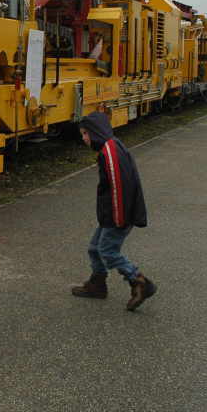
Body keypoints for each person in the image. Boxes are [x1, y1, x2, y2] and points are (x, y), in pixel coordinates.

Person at [72, 112, 156, 311]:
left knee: (107, 251)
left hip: (119, 214)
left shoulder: (110, 153)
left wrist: (119, 219)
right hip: (112, 213)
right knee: (94, 248)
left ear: (95, 132)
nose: (84, 138)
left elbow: (119, 187)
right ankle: (97, 285)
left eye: (85, 133)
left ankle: (139, 281)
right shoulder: (109, 146)